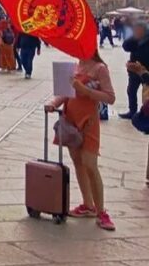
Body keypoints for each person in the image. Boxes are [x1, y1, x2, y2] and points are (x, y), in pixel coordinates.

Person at [46, 50, 116, 230]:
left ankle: (101, 212)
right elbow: (66, 93)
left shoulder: (100, 69)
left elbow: (110, 97)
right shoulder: (75, 67)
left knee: (90, 164)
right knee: (78, 162)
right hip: (71, 121)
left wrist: (86, 91)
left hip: (89, 122)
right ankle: (88, 204)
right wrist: (53, 103)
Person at [120, 22, 149, 119]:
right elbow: (125, 47)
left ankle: (145, 113)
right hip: (134, 69)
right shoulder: (135, 38)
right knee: (131, 90)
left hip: (146, 70)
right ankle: (132, 111)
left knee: (146, 92)